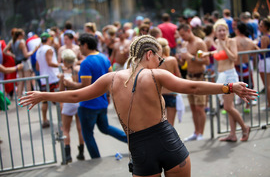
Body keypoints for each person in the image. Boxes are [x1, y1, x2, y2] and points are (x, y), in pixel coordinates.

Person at [19, 35, 258, 177]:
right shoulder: (155, 75)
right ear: (149, 54)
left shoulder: (111, 79)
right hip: (168, 141)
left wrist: (43, 95)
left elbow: (75, 96)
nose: (161, 62)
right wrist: (228, 88)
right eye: (159, 58)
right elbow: (192, 87)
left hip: (140, 147)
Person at [61, 33, 127, 159]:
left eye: (79, 45)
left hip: (88, 105)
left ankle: (95, 159)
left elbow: (86, 86)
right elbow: (111, 77)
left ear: (85, 45)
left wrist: (70, 84)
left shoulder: (86, 63)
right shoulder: (103, 57)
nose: (78, 48)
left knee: (88, 135)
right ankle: (131, 141)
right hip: (102, 102)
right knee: (105, 128)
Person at [203, 19, 252, 142]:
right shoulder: (217, 42)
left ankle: (245, 127)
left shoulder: (231, 41)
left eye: (224, 30)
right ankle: (232, 134)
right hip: (221, 75)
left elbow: (234, 57)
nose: (221, 32)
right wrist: (207, 54)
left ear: (227, 31)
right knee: (228, 106)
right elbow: (218, 52)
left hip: (230, 76)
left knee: (228, 107)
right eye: (219, 30)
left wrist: (224, 45)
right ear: (215, 31)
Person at [178, 24, 210, 141]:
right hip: (189, 77)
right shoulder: (184, 44)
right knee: (192, 107)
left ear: (188, 31)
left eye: (183, 35)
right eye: (180, 35)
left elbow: (206, 61)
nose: (182, 37)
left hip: (199, 77)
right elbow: (183, 62)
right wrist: (180, 59)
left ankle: (201, 133)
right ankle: (196, 132)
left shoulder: (199, 43)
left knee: (199, 108)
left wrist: (191, 57)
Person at [58, 49, 84, 163]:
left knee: (66, 129)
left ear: (64, 60)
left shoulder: (63, 75)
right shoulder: (79, 70)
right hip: (79, 99)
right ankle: (81, 153)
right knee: (80, 128)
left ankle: (68, 156)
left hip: (68, 100)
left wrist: (61, 104)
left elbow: (60, 91)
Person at [3, 28, 39, 98]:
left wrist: (13, 55)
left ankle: (19, 97)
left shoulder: (12, 42)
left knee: (20, 81)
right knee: (28, 80)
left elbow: (5, 51)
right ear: (20, 35)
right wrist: (34, 50)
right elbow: (26, 55)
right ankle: (30, 97)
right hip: (24, 62)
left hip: (18, 62)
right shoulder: (21, 42)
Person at [36, 32, 60, 128]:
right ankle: (63, 119)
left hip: (43, 78)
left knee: (44, 100)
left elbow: (37, 67)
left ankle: (45, 119)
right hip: (52, 78)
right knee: (59, 99)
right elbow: (50, 62)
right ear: (49, 39)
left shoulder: (39, 50)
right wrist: (60, 65)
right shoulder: (48, 49)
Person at [234, 21, 259, 109]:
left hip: (236, 66)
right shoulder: (250, 41)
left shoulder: (233, 41)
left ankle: (244, 101)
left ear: (237, 30)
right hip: (247, 65)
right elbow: (258, 51)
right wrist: (251, 54)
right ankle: (247, 105)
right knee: (248, 85)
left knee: (238, 85)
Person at [157, 37, 181, 126]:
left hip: (158, 94)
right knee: (171, 124)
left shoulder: (154, 61)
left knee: (160, 123)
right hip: (171, 92)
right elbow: (178, 76)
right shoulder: (172, 60)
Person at [258, 18, 270, 109]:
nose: (259, 27)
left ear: (266, 27)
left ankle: (269, 104)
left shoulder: (264, 37)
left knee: (267, 85)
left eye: (261, 25)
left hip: (265, 61)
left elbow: (262, 51)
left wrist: (254, 46)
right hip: (267, 60)